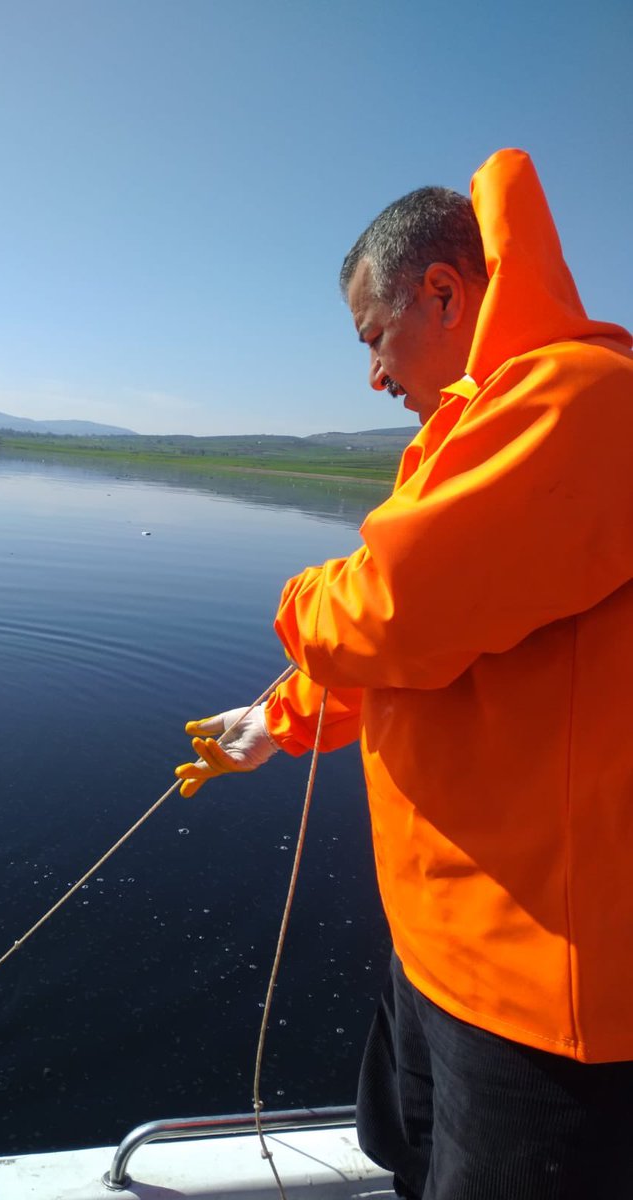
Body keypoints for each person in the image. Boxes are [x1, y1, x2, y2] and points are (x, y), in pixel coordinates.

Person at [175, 148, 633, 1200]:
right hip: (438, 945)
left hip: (542, 995)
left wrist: (302, 599)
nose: (374, 377)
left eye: (374, 338)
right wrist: (281, 721)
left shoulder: (585, 400)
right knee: (410, 1162)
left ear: (443, 293)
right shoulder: (476, 429)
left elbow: (391, 608)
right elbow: (437, 648)